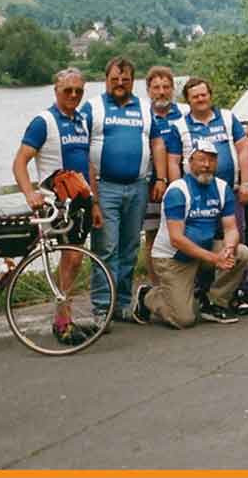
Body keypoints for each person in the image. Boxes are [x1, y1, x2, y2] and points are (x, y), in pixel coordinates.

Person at [11, 66, 95, 345]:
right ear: (56, 90)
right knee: (71, 259)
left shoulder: (82, 121)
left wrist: (94, 203)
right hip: (57, 202)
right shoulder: (43, 122)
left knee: (75, 260)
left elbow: (88, 165)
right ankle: (62, 322)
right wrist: (29, 194)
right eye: (67, 90)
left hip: (80, 200)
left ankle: (66, 317)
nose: (73, 95)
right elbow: (19, 162)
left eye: (78, 91)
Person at [82, 57, 169, 323]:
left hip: (138, 186)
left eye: (126, 79)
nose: (120, 83)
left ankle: (121, 303)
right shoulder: (93, 107)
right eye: (115, 79)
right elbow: (79, 147)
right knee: (106, 249)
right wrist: (90, 193)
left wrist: (161, 178)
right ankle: (102, 308)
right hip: (104, 187)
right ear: (106, 80)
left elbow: (157, 142)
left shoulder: (143, 107)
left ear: (133, 81)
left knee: (130, 248)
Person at [132, 138, 248, 328]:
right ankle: (149, 296)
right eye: (201, 159)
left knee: (241, 252)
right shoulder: (177, 191)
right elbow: (177, 240)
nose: (207, 165)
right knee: (183, 319)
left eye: (212, 160)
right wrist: (215, 258)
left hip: (203, 250)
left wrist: (228, 249)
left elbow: (230, 228)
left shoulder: (222, 188)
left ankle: (215, 302)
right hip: (173, 257)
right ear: (190, 162)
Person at [169, 77, 248, 315]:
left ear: (210, 95)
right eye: (195, 96)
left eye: (203, 94)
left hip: (229, 193)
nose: (200, 99)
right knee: (201, 242)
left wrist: (246, 183)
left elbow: (243, 150)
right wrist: (177, 191)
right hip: (196, 197)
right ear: (188, 100)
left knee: (235, 242)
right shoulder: (180, 126)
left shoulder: (227, 117)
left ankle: (236, 293)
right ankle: (202, 291)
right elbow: (174, 161)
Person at [143, 66, 186, 285]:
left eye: (166, 87)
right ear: (148, 90)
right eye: (156, 87)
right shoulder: (143, 115)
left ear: (173, 89)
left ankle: (185, 285)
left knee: (184, 232)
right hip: (152, 185)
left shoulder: (185, 112)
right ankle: (157, 286)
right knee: (152, 236)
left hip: (183, 183)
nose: (161, 92)